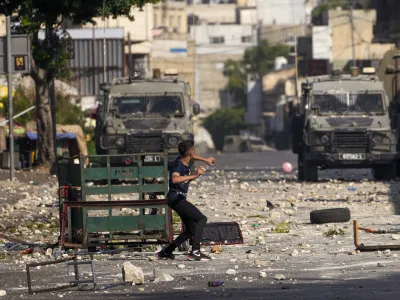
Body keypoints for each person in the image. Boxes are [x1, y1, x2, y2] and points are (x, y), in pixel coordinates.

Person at [157, 140, 215, 261]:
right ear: (190, 152)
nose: (194, 154)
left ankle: (166, 252)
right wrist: (195, 175)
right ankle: (195, 251)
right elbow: (174, 179)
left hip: (177, 199)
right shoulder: (179, 165)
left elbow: (193, 156)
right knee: (201, 219)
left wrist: (205, 160)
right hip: (176, 199)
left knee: (191, 229)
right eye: (193, 151)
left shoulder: (184, 158)